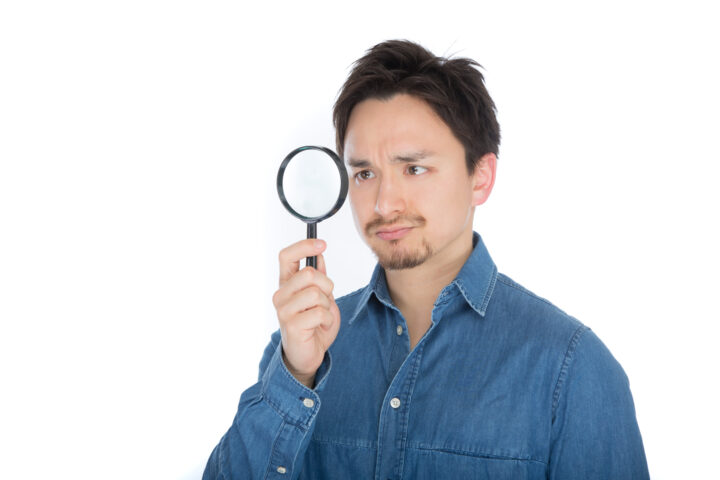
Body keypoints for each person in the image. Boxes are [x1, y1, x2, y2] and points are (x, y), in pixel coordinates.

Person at [202, 39, 649, 479]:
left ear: (480, 177)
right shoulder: (300, 349)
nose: (383, 204)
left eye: (414, 169)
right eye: (364, 173)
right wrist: (295, 375)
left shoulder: (571, 368)